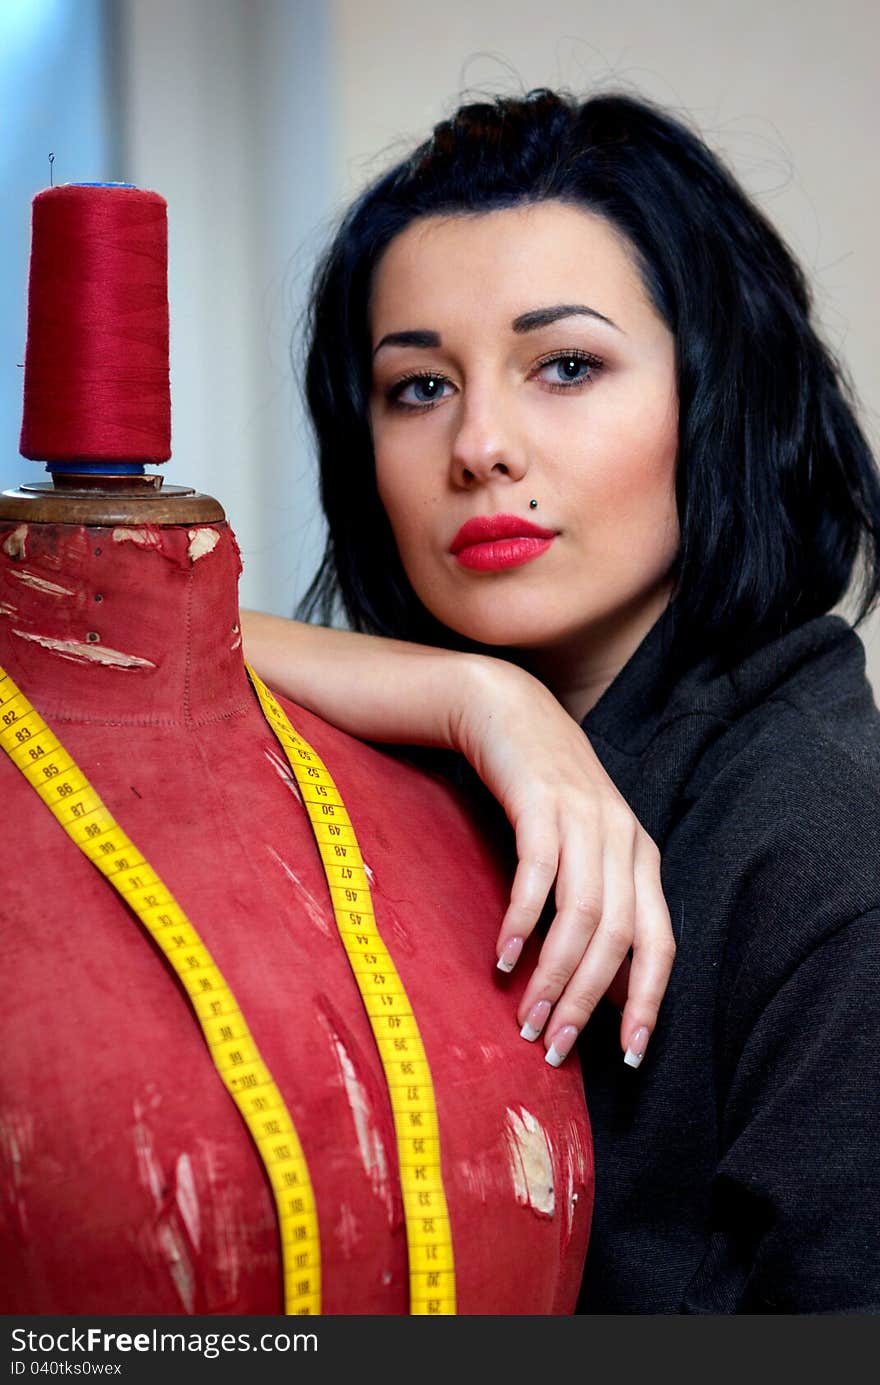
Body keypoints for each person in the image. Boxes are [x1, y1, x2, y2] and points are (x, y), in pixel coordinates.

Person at [242, 88, 880, 1313]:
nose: (479, 444)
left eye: (566, 365)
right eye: (418, 387)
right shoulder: (424, 766)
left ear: (714, 396)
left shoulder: (826, 848)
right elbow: (75, 628)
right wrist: (477, 698)